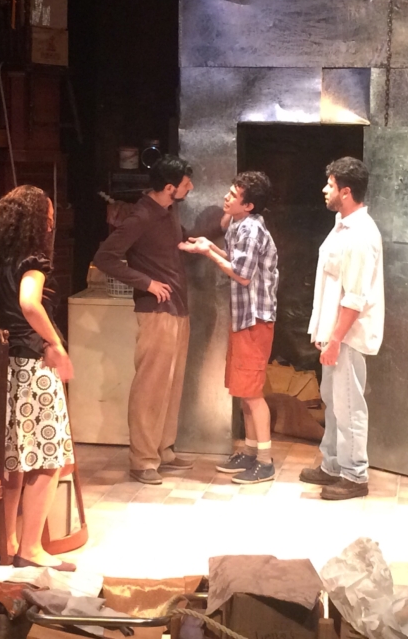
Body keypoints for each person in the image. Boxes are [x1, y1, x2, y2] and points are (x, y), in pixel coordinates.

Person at [0, 185, 76, 570]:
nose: (51, 223)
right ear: (35, 221)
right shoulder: (32, 261)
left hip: (3, 368)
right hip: (34, 366)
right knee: (50, 458)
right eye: (48, 216)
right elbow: (29, 303)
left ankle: (10, 544)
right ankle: (30, 549)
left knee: (11, 458)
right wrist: (56, 344)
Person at [94, 154, 194, 486]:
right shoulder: (141, 216)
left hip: (177, 308)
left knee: (170, 384)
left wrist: (218, 227)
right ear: (169, 187)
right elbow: (105, 257)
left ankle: (163, 449)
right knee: (150, 387)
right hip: (156, 311)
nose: (191, 187)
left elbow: (181, 240)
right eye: (185, 183)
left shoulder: (167, 212)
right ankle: (142, 459)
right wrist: (146, 283)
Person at [180, 171, 279, 484]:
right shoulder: (239, 224)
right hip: (243, 317)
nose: (226, 197)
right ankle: (250, 452)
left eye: (234, 195)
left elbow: (242, 275)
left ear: (248, 205)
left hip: (255, 319)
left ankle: (264, 461)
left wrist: (208, 252)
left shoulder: (251, 229)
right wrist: (210, 246)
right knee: (243, 389)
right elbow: (236, 261)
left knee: (252, 392)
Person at [299, 157, 384, 500]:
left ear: (346, 192)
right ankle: (333, 464)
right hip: (334, 334)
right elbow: (331, 284)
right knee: (333, 402)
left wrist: (335, 339)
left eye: (331, 185)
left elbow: (355, 297)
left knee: (349, 405)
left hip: (347, 336)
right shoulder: (341, 226)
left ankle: (354, 475)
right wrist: (321, 331)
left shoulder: (361, 234)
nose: (325, 190)